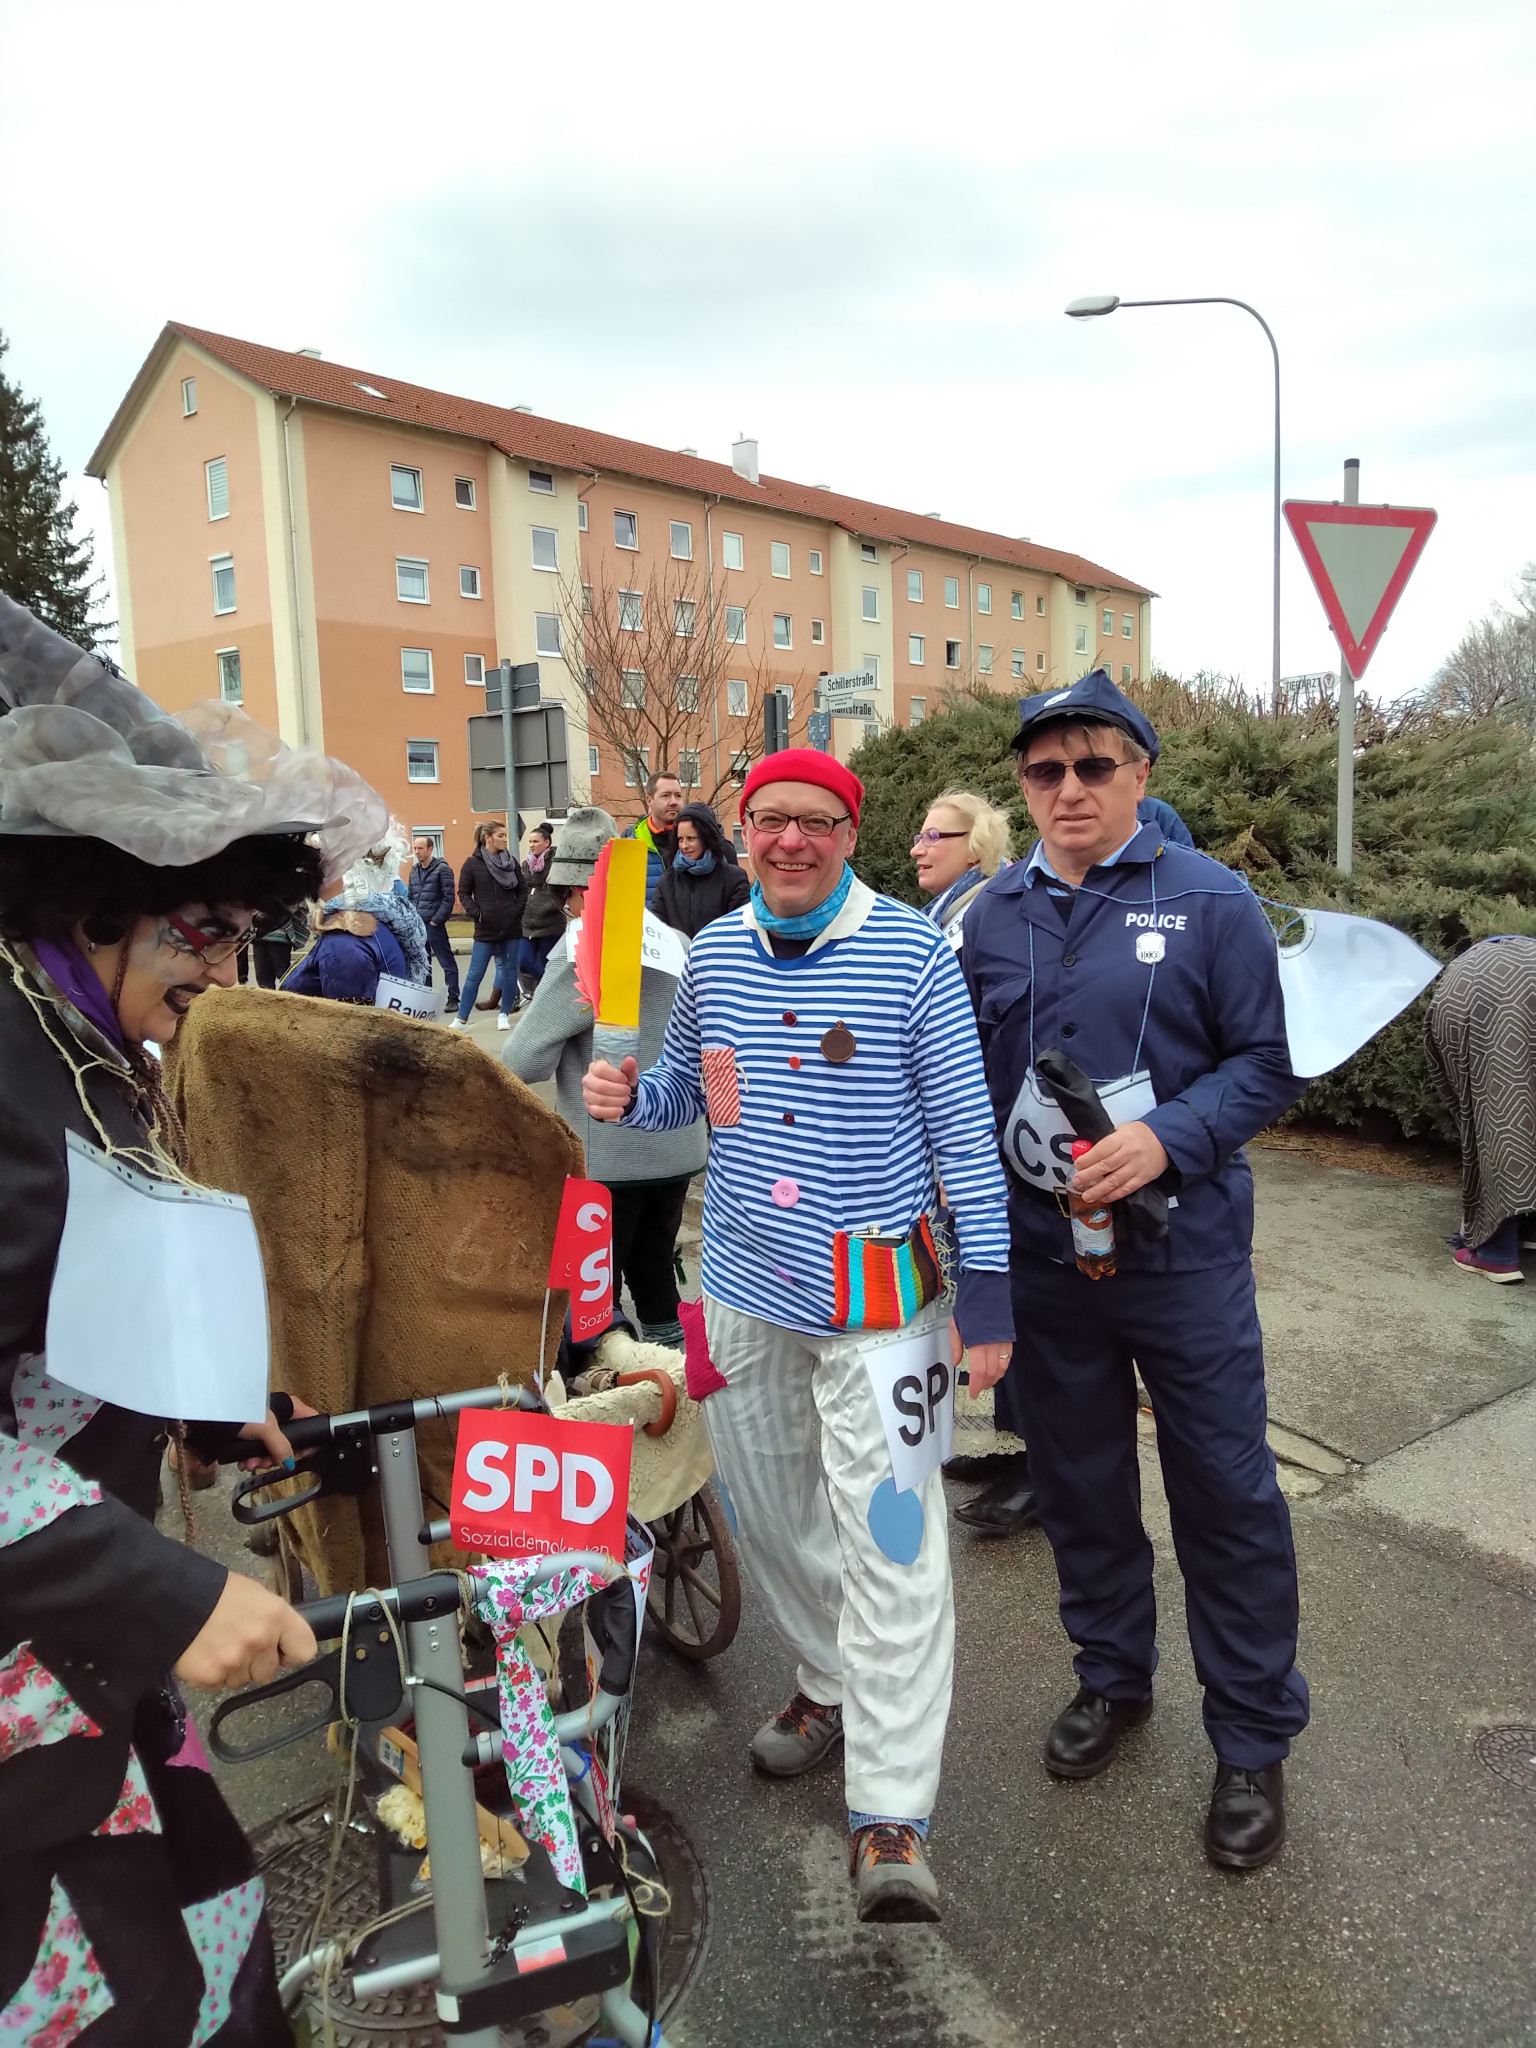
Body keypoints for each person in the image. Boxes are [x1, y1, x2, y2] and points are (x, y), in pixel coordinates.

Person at [0, 592, 387, 2041]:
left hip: (83, 1688)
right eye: (205, 928)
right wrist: (170, 1594)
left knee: (216, 1969)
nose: (229, 969)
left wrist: (199, 1395)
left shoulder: (79, 1040)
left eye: (243, 927)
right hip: (41, 1703)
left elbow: (61, 1305)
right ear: (87, 902)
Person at [583, 748, 1013, 1923]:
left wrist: (993, 1294)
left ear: (848, 832)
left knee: (894, 1538)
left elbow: (967, 1133)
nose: (787, 840)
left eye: (814, 822)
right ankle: (826, 1681)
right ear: (747, 828)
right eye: (768, 818)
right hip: (740, 1294)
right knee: (772, 1511)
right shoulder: (715, 950)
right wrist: (632, 1096)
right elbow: (685, 1092)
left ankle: (891, 1809)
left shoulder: (917, 953)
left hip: (884, 1303)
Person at [962, 667, 1308, 1872]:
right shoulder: (989, 915)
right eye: (1045, 769)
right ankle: (1114, 1678)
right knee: (1080, 1482)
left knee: (1225, 1491)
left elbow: (1269, 1062)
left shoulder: (1213, 903)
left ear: (1140, 773)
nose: (1068, 788)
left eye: (1093, 766)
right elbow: (963, 1083)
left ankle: (1253, 1736)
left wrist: (1169, 1133)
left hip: (1182, 1254)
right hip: (1048, 1257)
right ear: (1025, 783)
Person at [505, 808, 705, 1350]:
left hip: (605, 1155)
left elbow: (521, 1060)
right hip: (677, 1146)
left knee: (590, 1298)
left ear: (575, 890)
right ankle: (673, 1382)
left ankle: (605, 1394)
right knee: (658, 1273)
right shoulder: (676, 942)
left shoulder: (579, 950)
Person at [908, 789, 1036, 1523]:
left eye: (936, 835)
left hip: (994, 1142)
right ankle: (1023, 1445)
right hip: (975, 1139)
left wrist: (965, 1153)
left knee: (1009, 1293)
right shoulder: (952, 911)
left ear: (978, 845)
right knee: (993, 1294)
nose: (920, 847)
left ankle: (1046, 1470)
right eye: (919, 834)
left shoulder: (987, 912)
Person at [1425, 934, 1536, 1282]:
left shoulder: (1470, 965)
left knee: (1498, 1113)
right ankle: (1528, 1223)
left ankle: (1495, 1251)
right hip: (1515, 973)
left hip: (1476, 987)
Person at [911, 787, 1013, 953]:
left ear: (976, 845)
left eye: (932, 837)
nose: (915, 851)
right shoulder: (950, 910)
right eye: (920, 838)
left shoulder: (1001, 913)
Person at [453, 819, 527, 1031]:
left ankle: (503, 1014)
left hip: (511, 927)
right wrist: (476, 913)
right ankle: (461, 1018)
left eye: (506, 836)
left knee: (510, 972)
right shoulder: (473, 863)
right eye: (501, 836)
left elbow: (522, 889)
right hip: (485, 928)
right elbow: (463, 893)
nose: (505, 839)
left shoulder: (511, 862)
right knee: (475, 974)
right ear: (488, 838)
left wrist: (516, 910)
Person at [651, 801, 751, 938]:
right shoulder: (667, 881)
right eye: (680, 839)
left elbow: (741, 929)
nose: (684, 846)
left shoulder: (733, 878)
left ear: (706, 838)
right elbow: (657, 929)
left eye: (691, 838)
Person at [408, 832, 461, 1010]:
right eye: (415, 848)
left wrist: (437, 920)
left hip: (434, 925)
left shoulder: (442, 869)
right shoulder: (414, 870)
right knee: (423, 963)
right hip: (418, 925)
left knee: (446, 962)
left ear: (430, 849)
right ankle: (426, 998)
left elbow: (448, 897)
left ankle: (453, 998)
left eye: (420, 848)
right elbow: (411, 897)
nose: (417, 852)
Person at [517, 821, 565, 997]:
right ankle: (550, 990)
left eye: (535, 841)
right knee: (524, 959)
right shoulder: (526, 864)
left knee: (548, 962)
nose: (532, 845)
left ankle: (548, 994)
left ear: (547, 843)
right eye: (530, 842)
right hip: (527, 922)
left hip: (549, 922)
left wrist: (551, 905)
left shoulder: (556, 862)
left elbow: (562, 889)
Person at [625, 769, 683, 902]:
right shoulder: (630, 850)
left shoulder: (699, 844)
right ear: (649, 800)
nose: (674, 801)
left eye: (678, 795)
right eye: (666, 795)